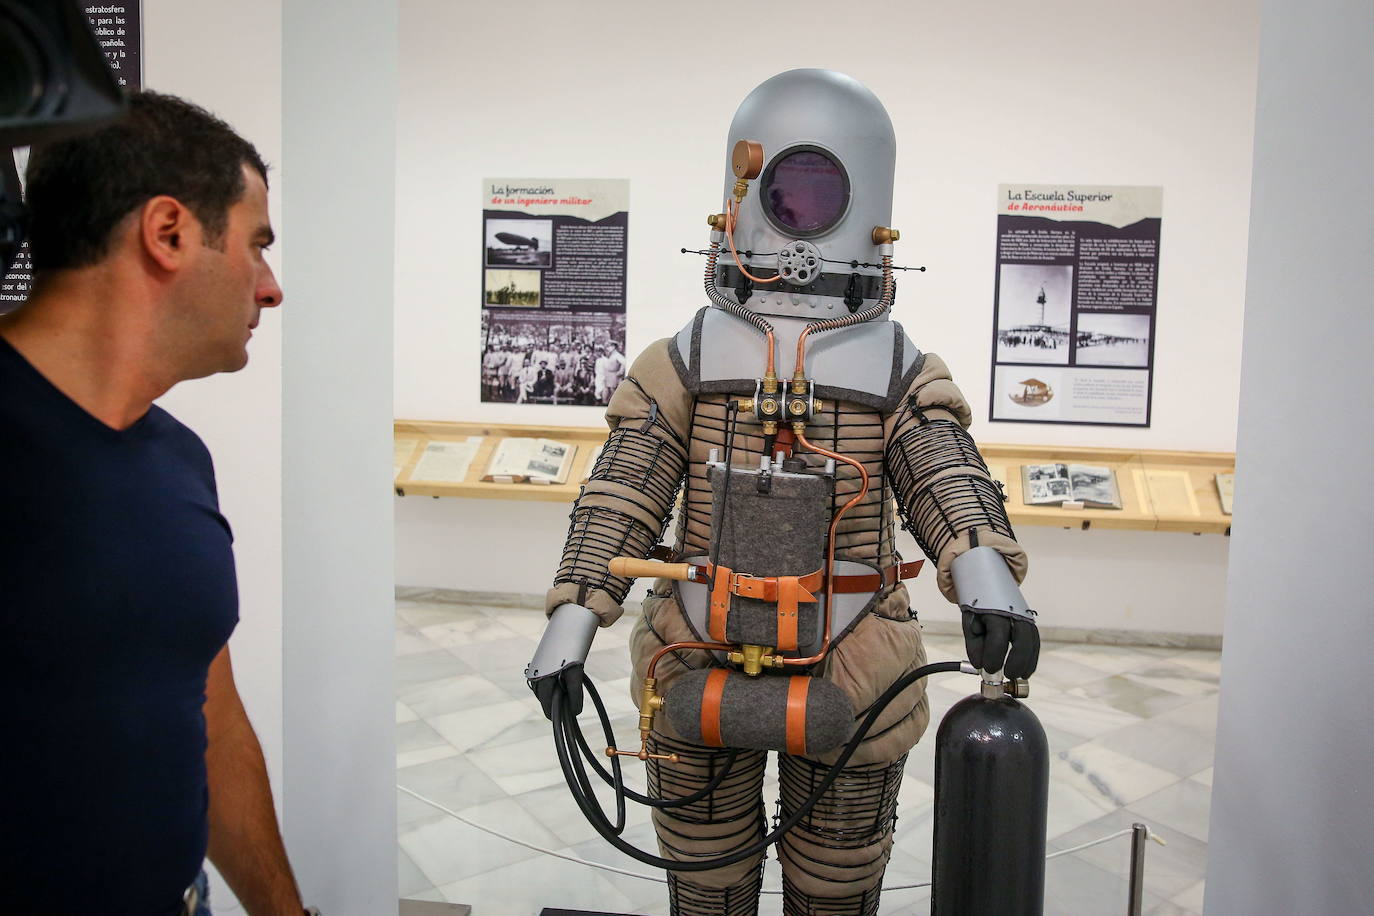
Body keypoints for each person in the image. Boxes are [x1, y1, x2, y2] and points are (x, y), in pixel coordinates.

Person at [525, 70, 1039, 915]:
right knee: (705, 880)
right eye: (788, 190)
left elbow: (945, 473)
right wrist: (570, 619)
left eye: (821, 187)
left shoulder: (900, 371)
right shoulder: (684, 361)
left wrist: (992, 585)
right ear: (745, 191)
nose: (802, 211)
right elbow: (623, 492)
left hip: (855, 663)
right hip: (695, 648)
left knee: (837, 881)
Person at [0, 91, 311, 915]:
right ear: (168, 232)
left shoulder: (178, 460)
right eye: (257, 246)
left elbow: (204, 710)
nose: (271, 288)